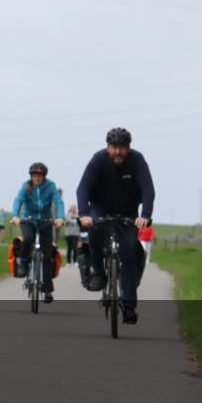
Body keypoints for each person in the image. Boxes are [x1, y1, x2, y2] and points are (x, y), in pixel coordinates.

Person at [76, 127, 155, 325]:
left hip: (128, 212)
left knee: (128, 253)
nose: (117, 152)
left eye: (122, 147)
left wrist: (145, 215)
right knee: (94, 231)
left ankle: (129, 307)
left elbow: (148, 189)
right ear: (108, 147)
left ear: (128, 148)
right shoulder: (98, 160)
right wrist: (84, 214)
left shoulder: (137, 161)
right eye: (113, 147)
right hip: (100, 208)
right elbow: (83, 187)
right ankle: (98, 273)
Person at [11, 163, 65, 303]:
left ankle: (47, 291)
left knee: (47, 255)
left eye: (39, 176)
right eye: (34, 175)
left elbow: (58, 202)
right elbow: (18, 200)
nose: (36, 178)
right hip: (29, 221)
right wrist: (15, 216)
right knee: (28, 239)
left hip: (46, 222)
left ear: (44, 177)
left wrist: (60, 217)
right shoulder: (26, 186)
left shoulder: (51, 186)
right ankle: (23, 262)